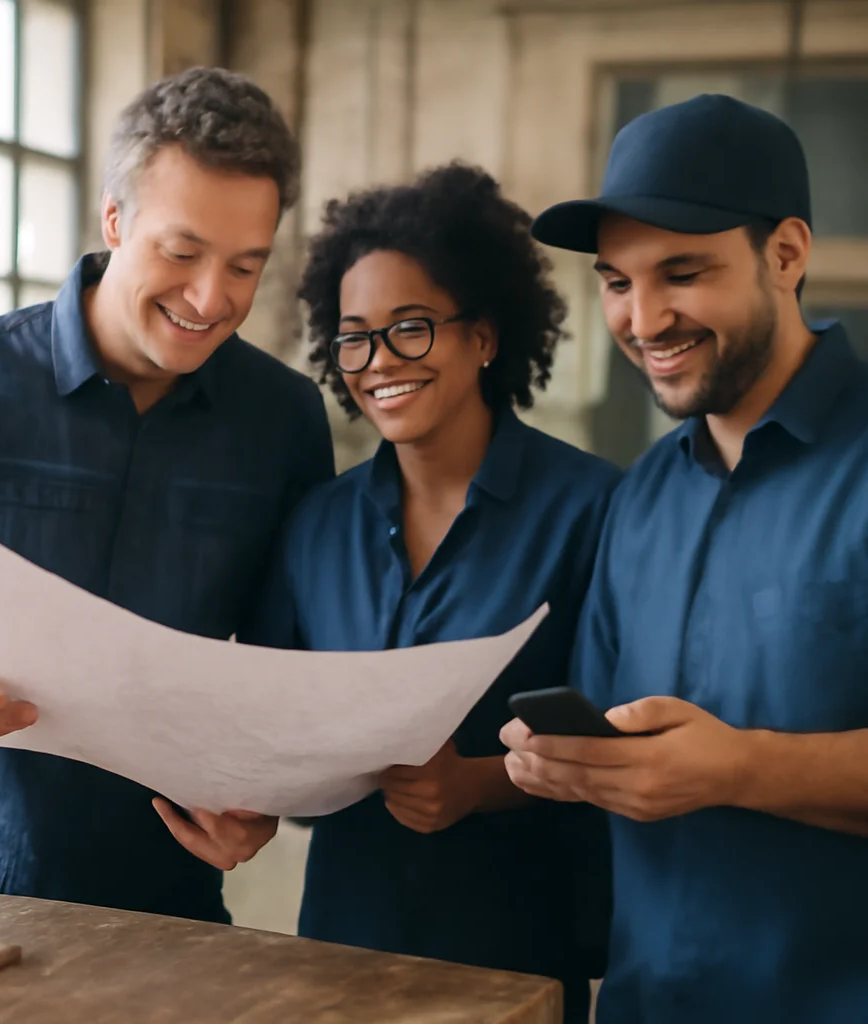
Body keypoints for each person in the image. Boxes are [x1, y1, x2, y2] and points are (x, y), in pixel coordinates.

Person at [0, 67, 334, 923]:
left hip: (163, 882)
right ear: (113, 220)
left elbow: (279, 667)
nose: (212, 299)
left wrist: (257, 797)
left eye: (246, 267)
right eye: (181, 254)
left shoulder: (281, 420)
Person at [504, 93, 868, 1023]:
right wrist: (564, 763)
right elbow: (619, 747)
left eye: (683, 273)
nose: (645, 317)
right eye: (617, 281)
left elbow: (715, 765)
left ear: (786, 255)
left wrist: (739, 768)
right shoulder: (642, 496)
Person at [224, 163, 616, 1023]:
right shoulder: (316, 526)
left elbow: (620, 739)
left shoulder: (595, 510)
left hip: (513, 950)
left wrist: (479, 783)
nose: (378, 364)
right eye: (354, 337)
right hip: (342, 938)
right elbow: (276, 720)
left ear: (483, 335)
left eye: (410, 329)